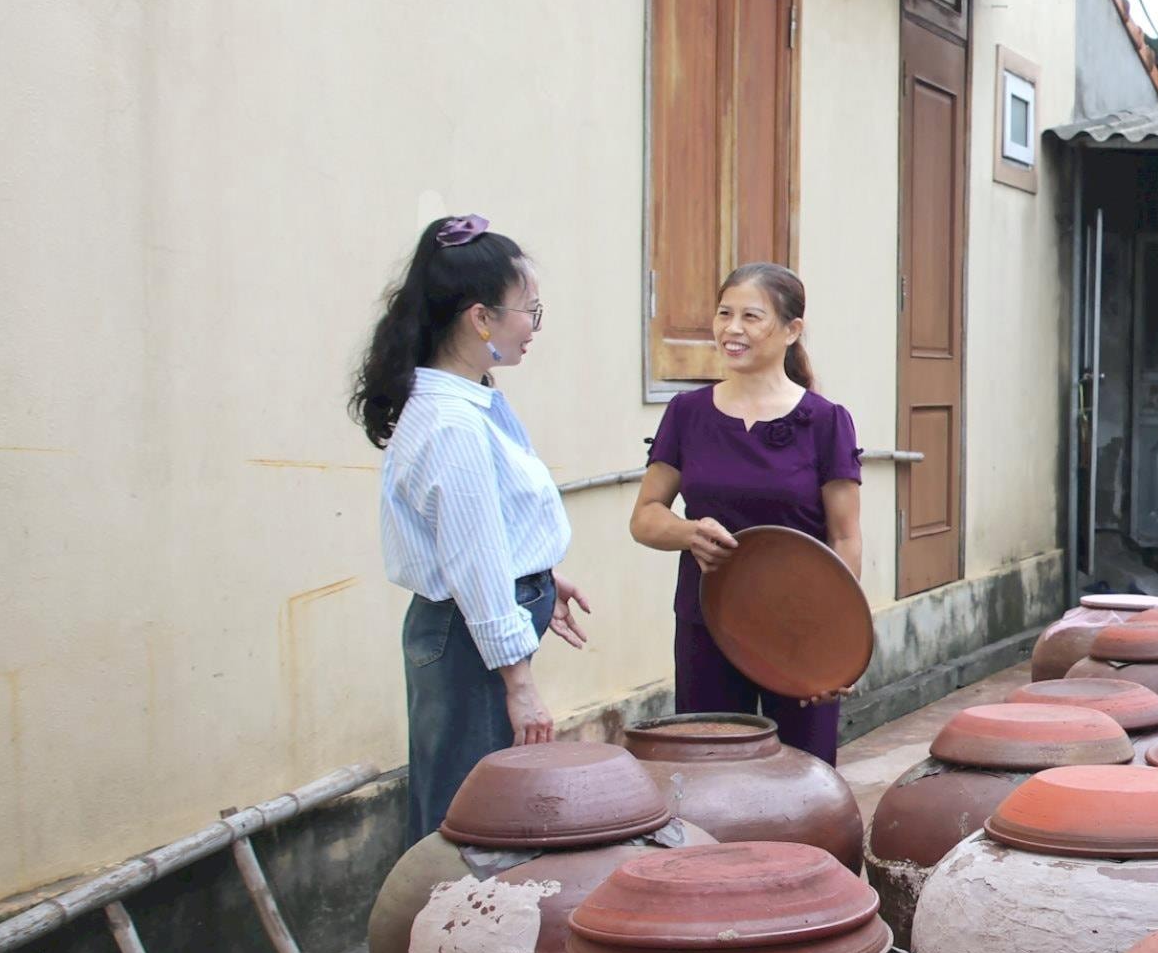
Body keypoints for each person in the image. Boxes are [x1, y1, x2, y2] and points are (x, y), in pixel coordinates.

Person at [353, 214, 593, 841]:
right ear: (480, 318)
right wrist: (521, 683)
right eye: (528, 312)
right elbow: (473, 562)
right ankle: (444, 938)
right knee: (467, 824)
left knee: (474, 808)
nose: (533, 329)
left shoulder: (469, 398)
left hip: (480, 623)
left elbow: (484, 532)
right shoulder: (451, 422)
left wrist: (539, 577)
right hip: (471, 639)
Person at [629, 263, 863, 763]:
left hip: (798, 627)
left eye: (751, 317)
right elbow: (646, 515)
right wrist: (689, 533)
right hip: (706, 620)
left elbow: (845, 538)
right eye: (723, 313)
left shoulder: (825, 422)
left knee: (806, 775)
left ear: (791, 330)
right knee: (710, 771)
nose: (731, 329)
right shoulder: (687, 413)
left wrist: (834, 643)